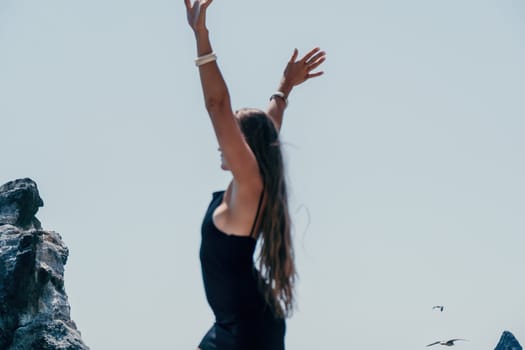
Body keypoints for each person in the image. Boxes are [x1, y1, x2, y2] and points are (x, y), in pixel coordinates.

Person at [184, 0, 326, 349]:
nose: (222, 140)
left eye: (231, 133)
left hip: (249, 331)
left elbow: (217, 106)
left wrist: (201, 36)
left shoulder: (250, 185)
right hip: (230, 325)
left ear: (244, 147)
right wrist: (284, 86)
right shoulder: (249, 180)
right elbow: (269, 123)